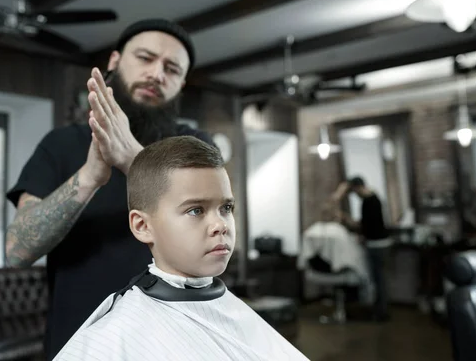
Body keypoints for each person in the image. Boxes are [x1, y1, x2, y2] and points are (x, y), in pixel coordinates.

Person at [5, 19, 217, 359]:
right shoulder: (60, 145)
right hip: (80, 346)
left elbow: (214, 236)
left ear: (181, 83)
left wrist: (132, 157)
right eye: (145, 58)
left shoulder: (196, 147)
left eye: (172, 69)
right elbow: (17, 250)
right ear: (115, 62)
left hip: (177, 345)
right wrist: (90, 175)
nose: (157, 74)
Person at [53, 136, 310, 361]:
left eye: (226, 208)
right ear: (142, 225)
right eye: (195, 210)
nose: (220, 225)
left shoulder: (233, 311)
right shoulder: (113, 336)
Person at [333, 176, 391, 321]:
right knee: (380, 279)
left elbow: (365, 227)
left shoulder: (368, 202)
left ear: (357, 188)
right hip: (380, 244)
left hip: (376, 245)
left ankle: (380, 313)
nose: (355, 195)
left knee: (378, 280)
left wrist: (346, 219)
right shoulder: (374, 198)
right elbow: (368, 224)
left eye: (353, 191)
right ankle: (379, 311)